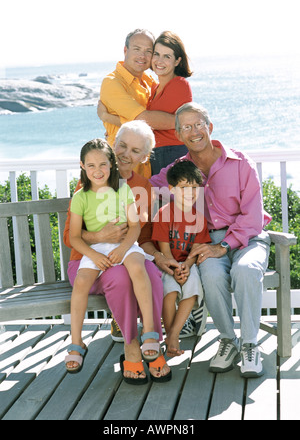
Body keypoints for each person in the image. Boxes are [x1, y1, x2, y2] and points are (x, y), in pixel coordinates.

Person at [150, 102, 272, 378]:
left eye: (198, 124)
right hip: (206, 241)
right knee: (211, 275)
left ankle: (250, 344)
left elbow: (252, 218)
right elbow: (150, 187)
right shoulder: (180, 169)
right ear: (179, 136)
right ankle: (228, 340)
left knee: (245, 270)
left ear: (210, 127)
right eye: (186, 128)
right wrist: (109, 184)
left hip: (246, 238)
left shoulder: (240, 163)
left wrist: (223, 246)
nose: (194, 132)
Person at [64, 121, 175, 383]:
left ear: (144, 157)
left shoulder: (142, 186)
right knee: (119, 278)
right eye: (122, 145)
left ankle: (152, 340)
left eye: (135, 150)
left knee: (151, 273)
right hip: (89, 258)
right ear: (113, 145)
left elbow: (143, 236)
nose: (126, 154)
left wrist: (158, 257)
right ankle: (131, 346)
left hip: (128, 252)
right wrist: (101, 236)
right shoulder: (90, 182)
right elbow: (72, 236)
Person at [152, 160, 211, 357]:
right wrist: (175, 268)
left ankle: (173, 334)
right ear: (172, 189)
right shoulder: (164, 214)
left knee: (193, 286)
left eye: (194, 187)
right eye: (184, 187)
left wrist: (186, 265)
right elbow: (164, 250)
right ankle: (171, 335)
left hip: (187, 264)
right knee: (169, 291)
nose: (190, 192)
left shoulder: (199, 218)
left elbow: (195, 250)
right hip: (168, 265)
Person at [98, 29, 175, 178]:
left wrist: (108, 117)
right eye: (137, 49)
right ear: (126, 50)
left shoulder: (149, 81)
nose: (142, 56)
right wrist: (184, 122)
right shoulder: (112, 82)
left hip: (148, 167)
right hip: (121, 167)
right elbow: (144, 120)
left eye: (148, 51)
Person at [148, 31, 193, 175]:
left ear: (177, 61)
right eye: (156, 54)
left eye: (167, 56)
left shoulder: (179, 85)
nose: (159, 61)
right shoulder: (154, 88)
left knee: (175, 198)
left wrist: (108, 116)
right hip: (156, 155)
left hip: (173, 154)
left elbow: (147, 121)